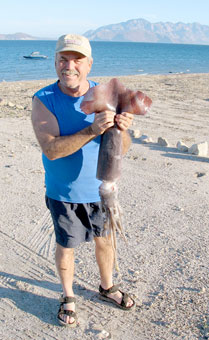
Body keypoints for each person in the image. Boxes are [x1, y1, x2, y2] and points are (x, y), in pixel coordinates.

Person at [31, 34, 135, 328]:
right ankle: (68, 296)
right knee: (67, 246)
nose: (69, 66)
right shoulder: (44, 100)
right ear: (55, 62)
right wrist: (91, 131)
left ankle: (107, 286)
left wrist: (122, 129)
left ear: (89, 64)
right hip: (64, 194)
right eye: (63, 59)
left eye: (77, 59)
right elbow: (51, 150)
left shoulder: (106, 96)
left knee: (106, 241)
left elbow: (122, 148)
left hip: (102, 191)